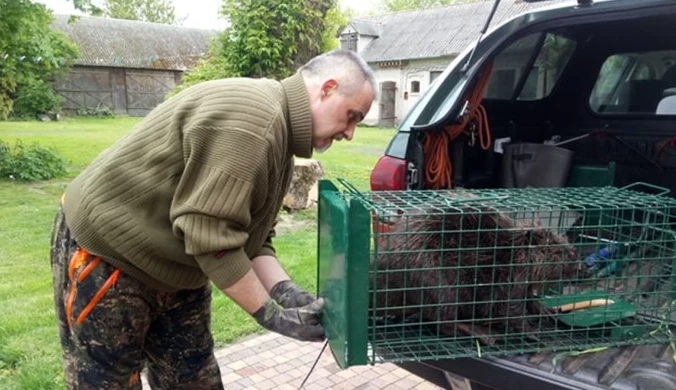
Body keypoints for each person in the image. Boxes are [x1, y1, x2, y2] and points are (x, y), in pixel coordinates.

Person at [49, 48, 377, 389]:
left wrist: (289, 293)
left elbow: (252, 239)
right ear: (327, 89)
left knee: (194, 378)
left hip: (178, 268)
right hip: (111, 255)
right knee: (108, 381)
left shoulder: (282, 141)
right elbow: (210, 236)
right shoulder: (256, 121)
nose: (350, 133)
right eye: (352, 115)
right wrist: (273, 316)